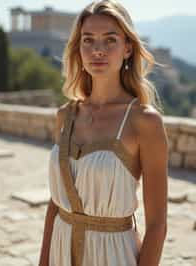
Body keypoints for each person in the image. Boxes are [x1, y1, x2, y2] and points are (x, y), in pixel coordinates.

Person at [38, 0, 168, 265]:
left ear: (128, 48)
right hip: (60, 251)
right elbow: (56, 203)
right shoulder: (65, 116)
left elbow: (157, 225)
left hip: (113, 255)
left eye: (110, 40)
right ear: (79, 48)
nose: (98, 50)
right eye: (88, 40)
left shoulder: (144, 122)